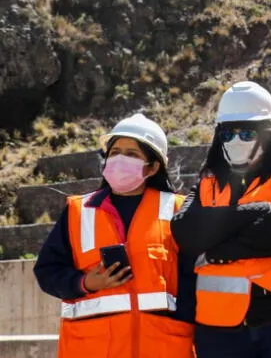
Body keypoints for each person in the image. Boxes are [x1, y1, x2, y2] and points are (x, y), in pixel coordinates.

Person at [170, 81, 271, 357]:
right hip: (220, 330)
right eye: (228, 134)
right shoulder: (207, 186)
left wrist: (223, 249)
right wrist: (254, 211)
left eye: (246, 133)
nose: (236, 141)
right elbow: (186, 231)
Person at [34, 114, 195, 358]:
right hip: (92, 348)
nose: (120, 159)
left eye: (132, 154)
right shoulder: (79, 212)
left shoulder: (177, 210)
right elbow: (47, 272)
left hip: (161, 347)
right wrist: (85, 283)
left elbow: (194, 281)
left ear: (153, 167)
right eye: (115, 152)